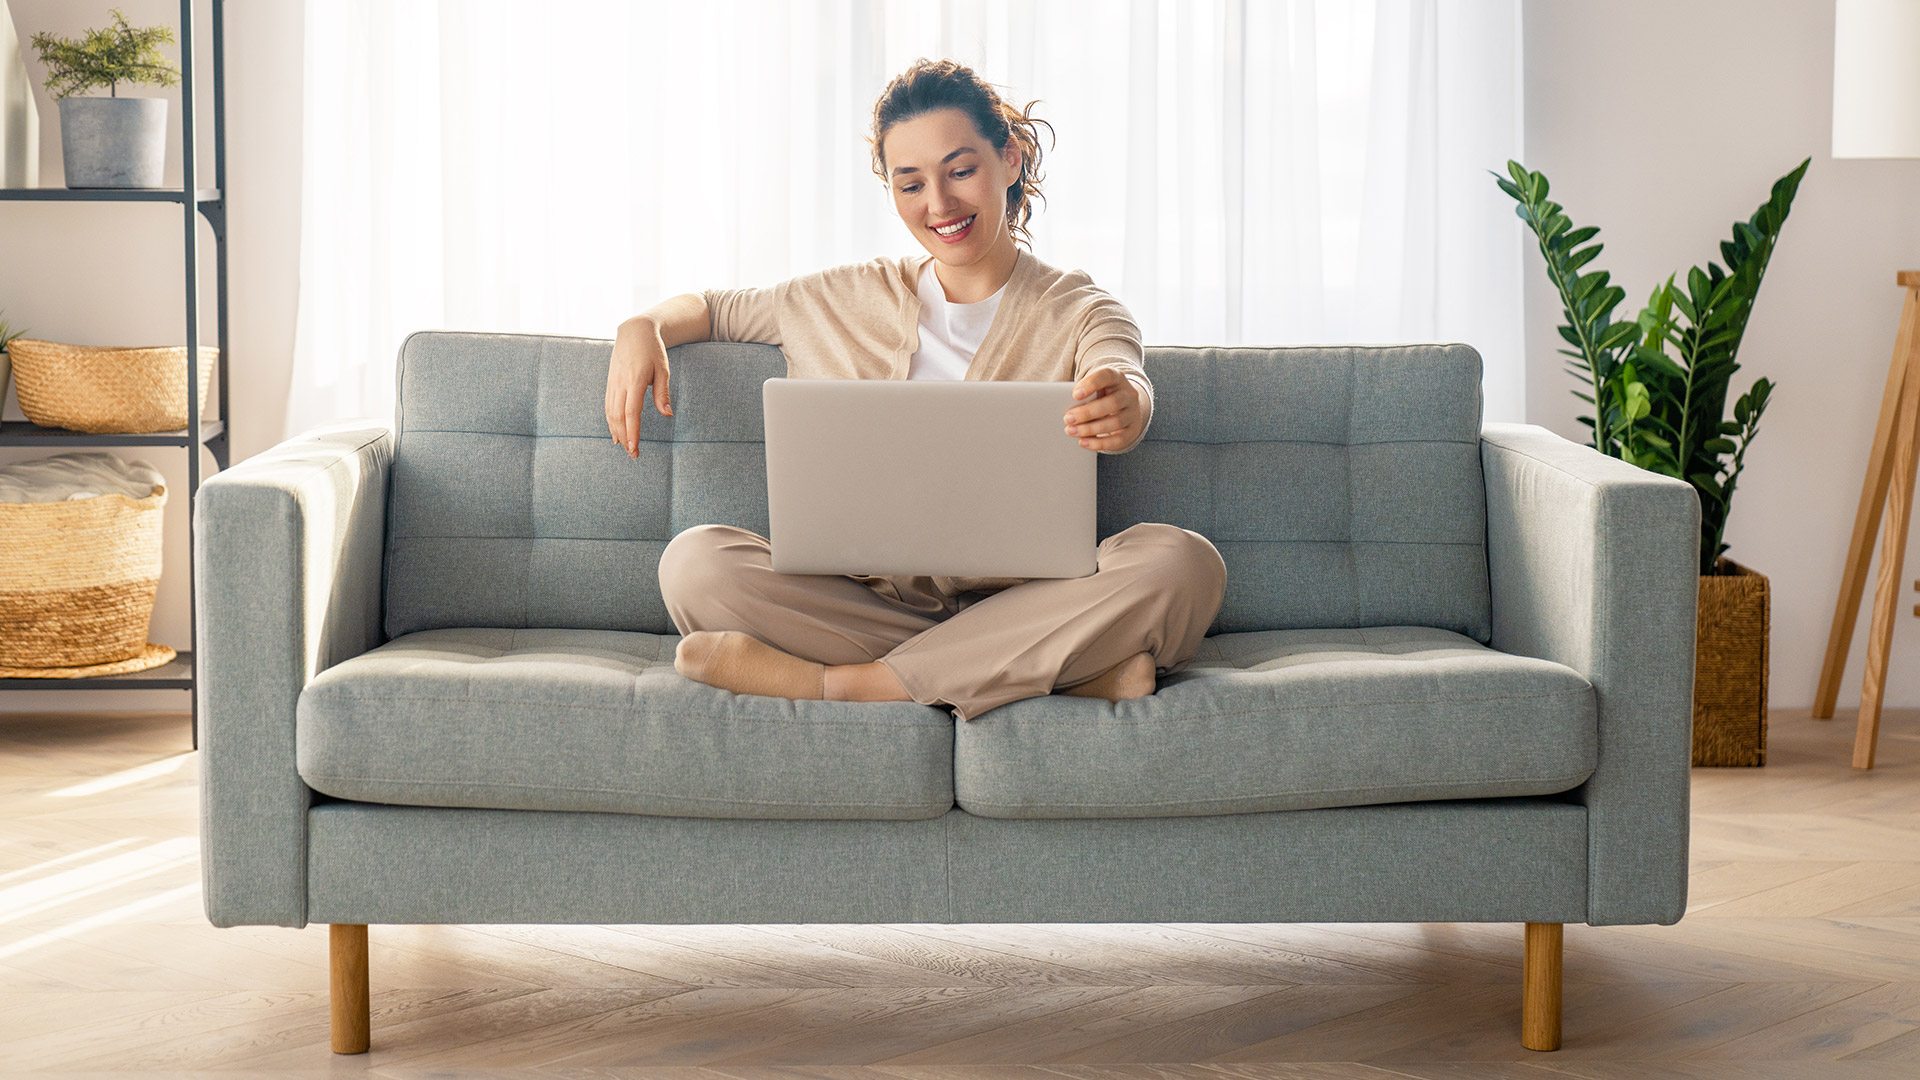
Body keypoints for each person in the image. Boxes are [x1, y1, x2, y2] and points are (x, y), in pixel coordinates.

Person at [604, 58, 1225, 722]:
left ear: (1009, 159)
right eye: (911, 184)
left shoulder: (1080, 308)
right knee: (696, 564)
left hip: (1031, 602)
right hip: (866, 606)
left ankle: (844, 686)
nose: (939, 205)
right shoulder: (843, 295)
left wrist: (1125, 404)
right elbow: (714, 307)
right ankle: (1055, 675)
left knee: (1182, 563)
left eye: (960, 171)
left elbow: (1122, 371)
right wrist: (642, 325)